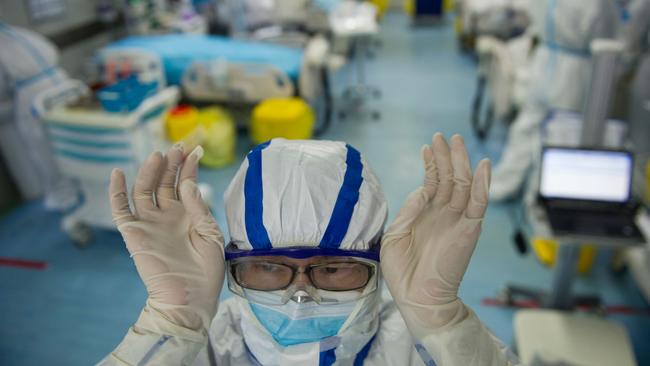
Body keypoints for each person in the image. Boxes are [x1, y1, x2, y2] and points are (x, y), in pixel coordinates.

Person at [100, 135, 520, 365]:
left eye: (333, 268)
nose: (300, 295)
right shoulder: (200, 345)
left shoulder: (419, 346)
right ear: (231, 262)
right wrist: (170, 320)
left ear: (378, 261)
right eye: (268, 266)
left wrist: (443, 322)